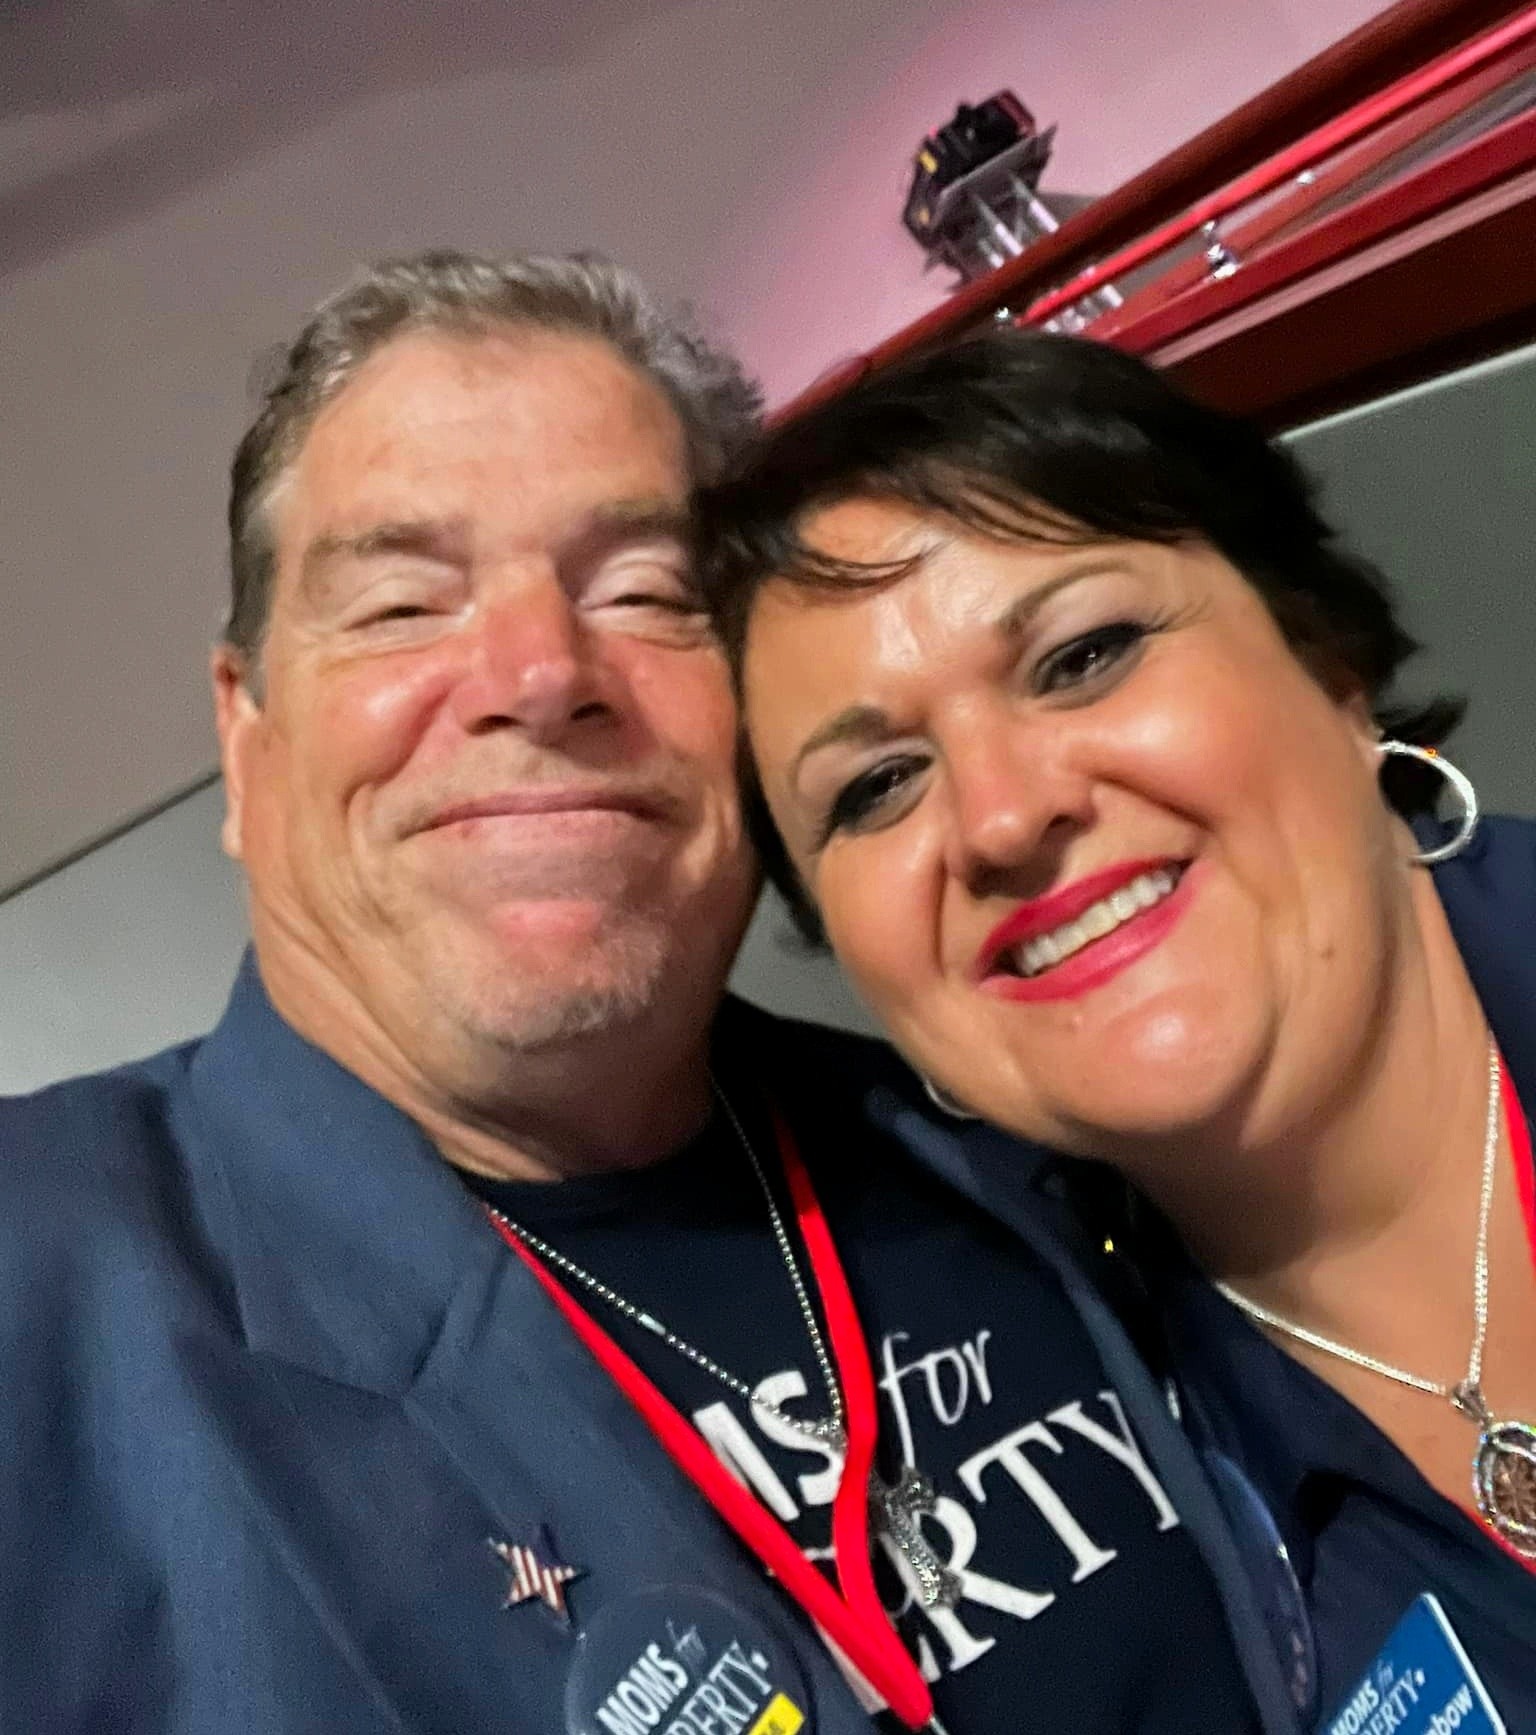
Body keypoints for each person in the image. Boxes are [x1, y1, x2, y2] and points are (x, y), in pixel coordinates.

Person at [0, 255, 1294, 1734]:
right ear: (247, 742)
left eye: (644, 591)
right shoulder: (40, 1291)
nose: (542, 672)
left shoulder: (1014, 1141)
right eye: (402, 604)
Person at [700, 325, 1536, 1732]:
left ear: (1329, 665)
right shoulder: (1107, 1478)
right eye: (878, 786)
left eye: (1083, 655)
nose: (1003, 816)